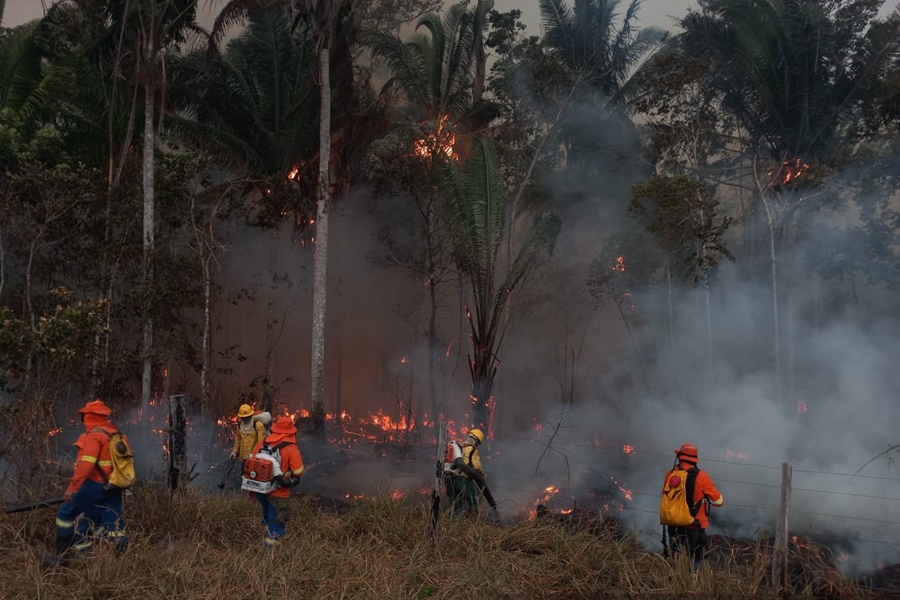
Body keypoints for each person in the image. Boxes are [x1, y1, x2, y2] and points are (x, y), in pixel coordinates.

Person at [48, 399, 128, 565]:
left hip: (96, 485)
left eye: (84, 416)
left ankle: (61, 558)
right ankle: (120, 561)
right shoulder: (117, 435)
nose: (83, 419)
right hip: (115, 485)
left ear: (90, 416)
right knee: (113, 522)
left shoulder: (94, 436)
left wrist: (73, 488)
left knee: (65, 514)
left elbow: (86, 464)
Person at [663, 443, 724, 570]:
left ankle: (676, 574)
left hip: (673, 523)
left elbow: (665, 495)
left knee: (676, 552)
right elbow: (718, 502)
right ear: (695, 459)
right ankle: (694, 575)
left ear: (679, 457)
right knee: (697, 553)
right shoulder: (701, 476)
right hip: (694, 524)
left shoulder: (670, 475)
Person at [250, 416, 304, 549]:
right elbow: (298, 471)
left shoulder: (263, 442)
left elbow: (252, 460)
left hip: (261, 489)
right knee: (277, 519)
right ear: (291, 432)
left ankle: (266, 535)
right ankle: (271, 551)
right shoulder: (291, 448)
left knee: (267, 512)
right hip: (279, 492)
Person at [443, 428, 490, 516]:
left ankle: (451, 522)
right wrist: (482, 474)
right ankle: (472, 521)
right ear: (477, 441)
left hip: (449, 479)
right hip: (461, 479)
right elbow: (476, 466)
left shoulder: (456, 447)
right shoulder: (471, 449)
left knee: (455, 505)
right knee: (476, 497)